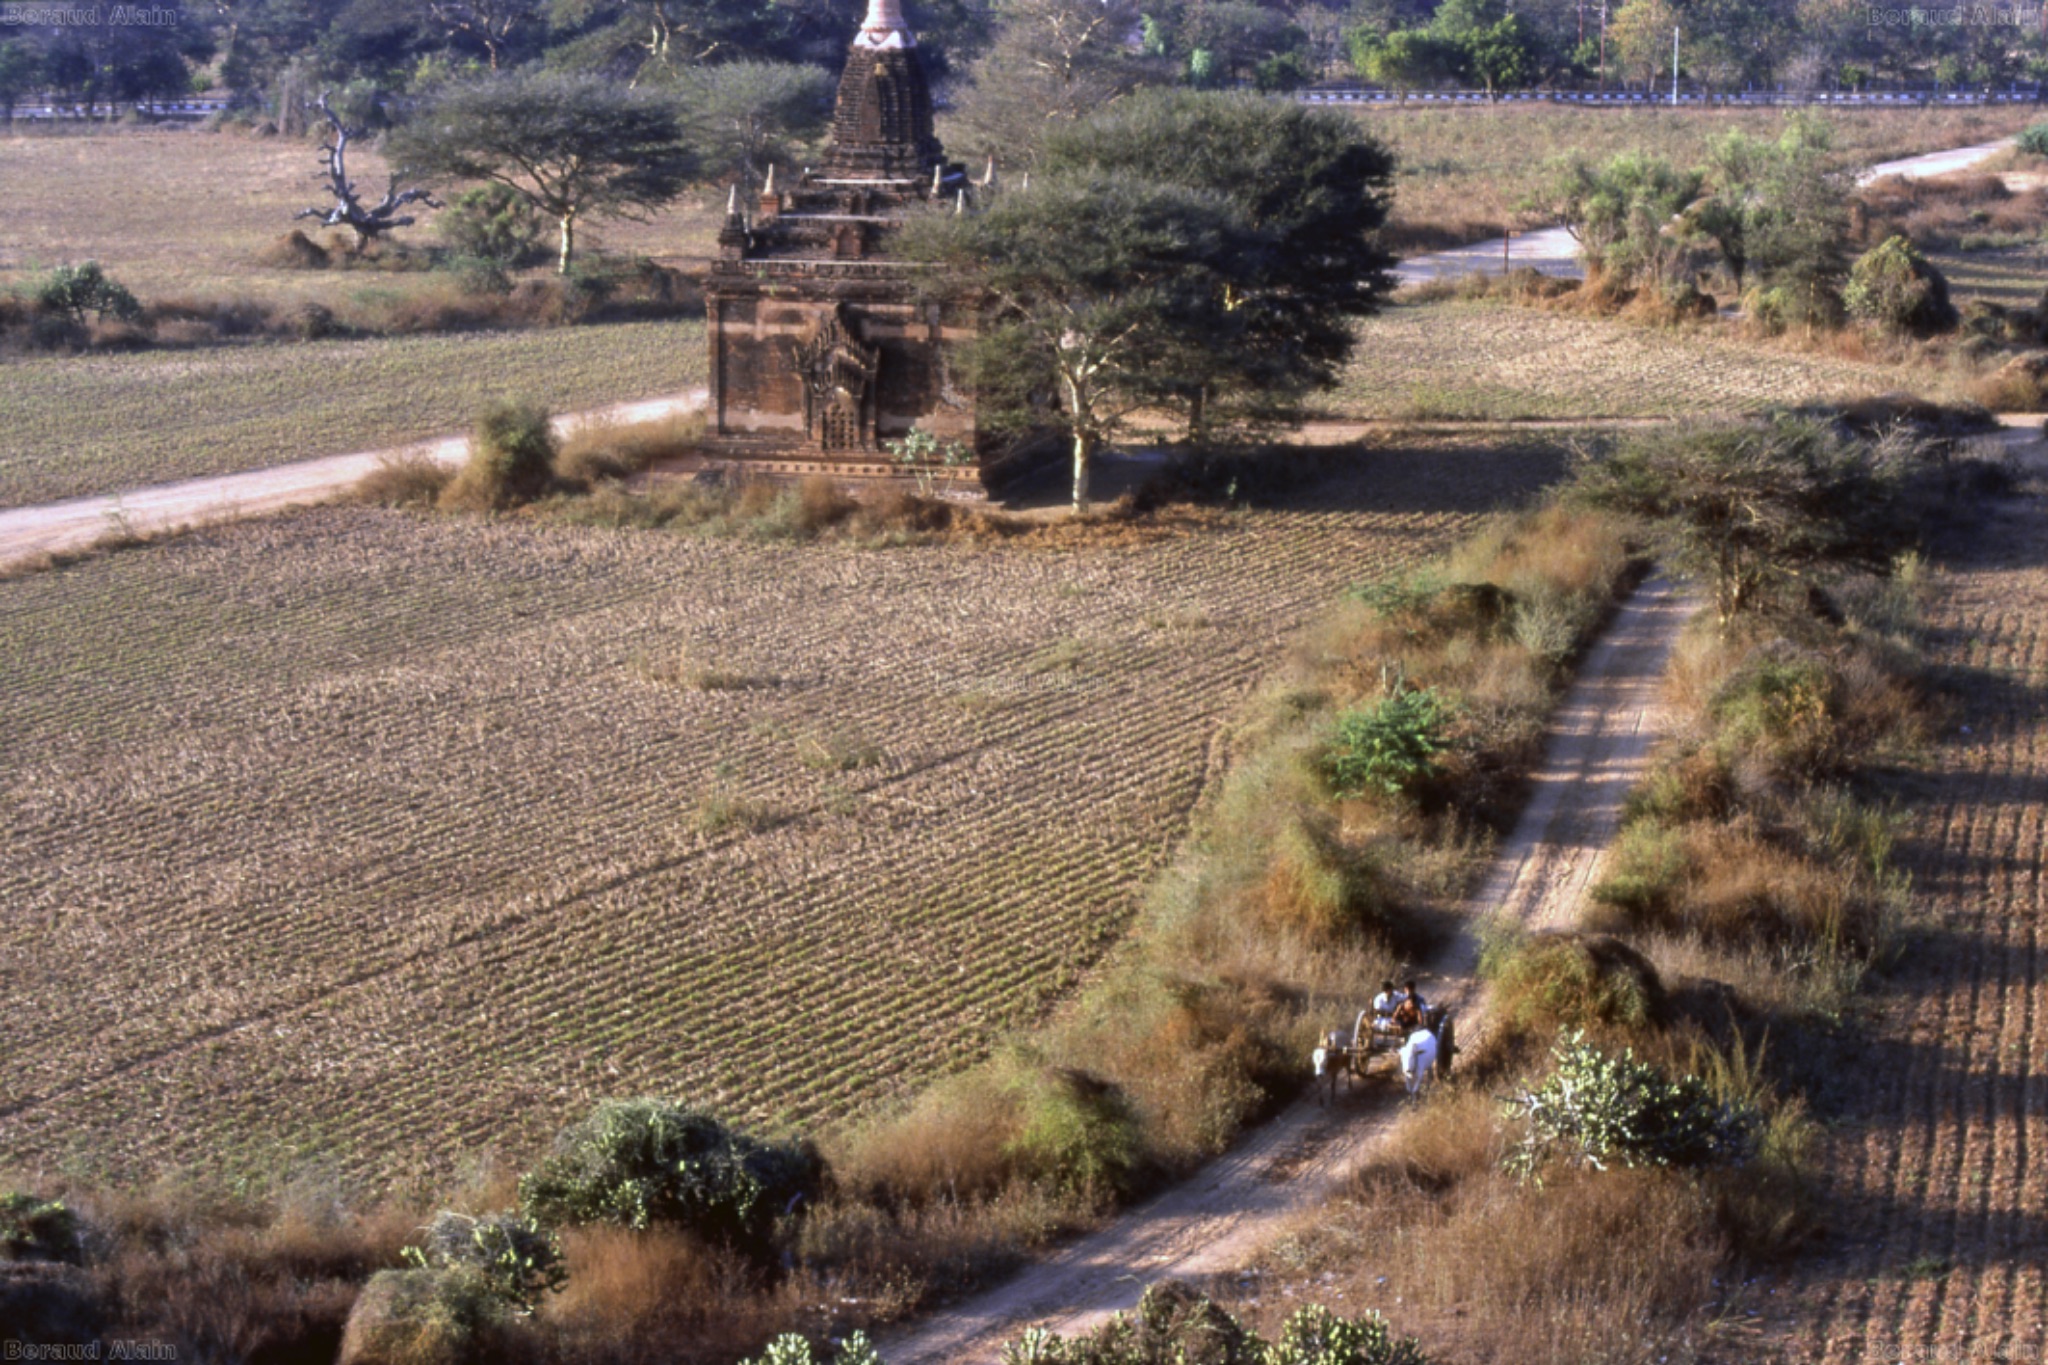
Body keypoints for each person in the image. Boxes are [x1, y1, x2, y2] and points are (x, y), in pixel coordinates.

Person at [1400, 1024, 1439, 1096]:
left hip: (1426, 1042)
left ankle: (1415, 1093)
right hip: (1411, 1032)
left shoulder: (1419, 1054)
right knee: (1408, 1080)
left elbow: (1419, 1075)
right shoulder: (1406, 1050)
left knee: (1417, 1077)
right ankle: (1411, 1092)